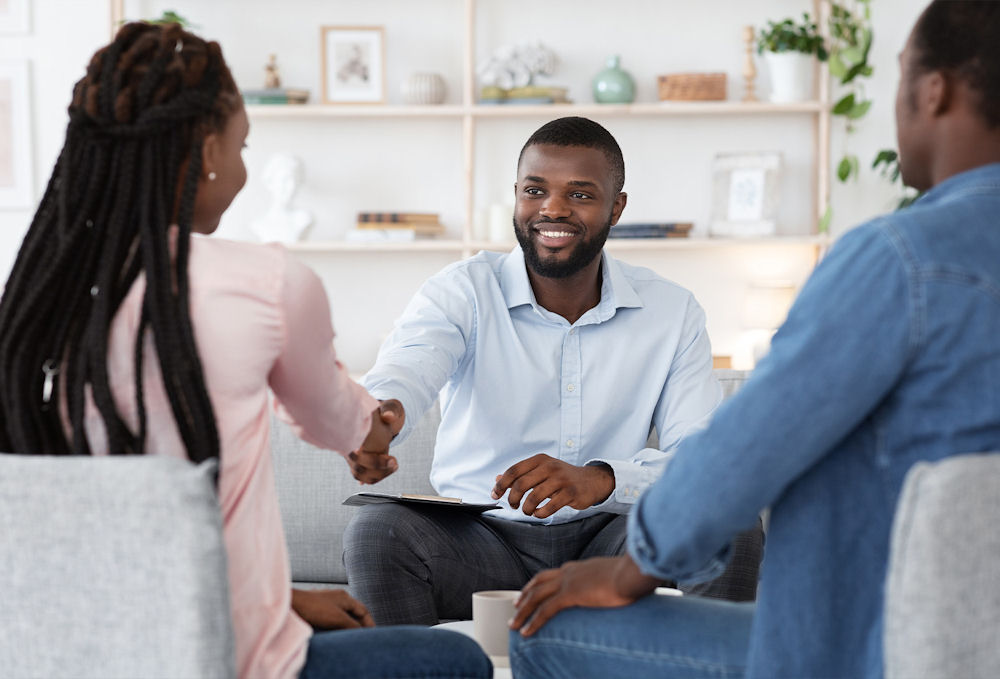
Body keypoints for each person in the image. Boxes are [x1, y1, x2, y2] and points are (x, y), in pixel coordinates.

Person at [507, 3, 1000, 678]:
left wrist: (628, 572)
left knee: (546, 629)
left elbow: (741, 455)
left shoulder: (902, 264)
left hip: (863, 649)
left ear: (933, 89)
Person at [0, 22, 489, 679]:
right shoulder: (267, 284)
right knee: (455, 658)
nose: (242, 169)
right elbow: (345, 422)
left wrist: (281, 599)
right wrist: (373, 435)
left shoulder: (36, 300)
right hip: (231, 662)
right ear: (206, 150)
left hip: (64, 655)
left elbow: (127, 546)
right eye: (242, 146)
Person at [344, 116, 764, 626]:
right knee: (377, 531)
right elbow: (409, 366)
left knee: (728, 522)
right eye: (534, 189)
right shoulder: (463, 291)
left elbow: (703, 463)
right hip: (478, 543)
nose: (553, 209)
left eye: (580, 194)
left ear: (617, 207)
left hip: (611, 544)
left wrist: (603, 481)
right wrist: (379, 418)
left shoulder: (672, 312)